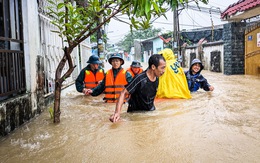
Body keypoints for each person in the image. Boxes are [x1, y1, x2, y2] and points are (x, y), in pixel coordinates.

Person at [109, 54, 166, 123]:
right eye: (162, 68)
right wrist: (117, 113)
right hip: (135, 115)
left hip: (150, 113)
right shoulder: (139, 79)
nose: (164, 71)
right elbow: (123, 92)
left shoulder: (157, 78)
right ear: (153, 67)